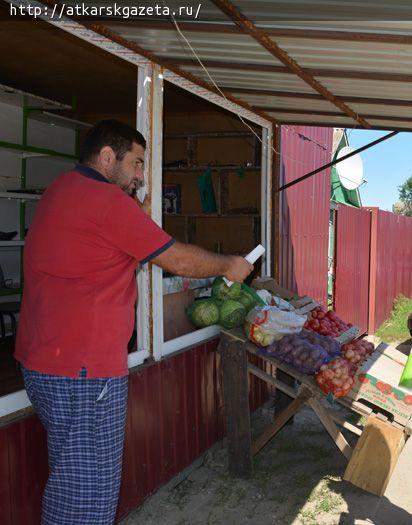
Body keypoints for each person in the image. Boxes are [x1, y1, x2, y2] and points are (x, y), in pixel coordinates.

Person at [14, 120, 253, 525]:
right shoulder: (106, 202)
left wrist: (134, 215)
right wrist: (231, 264)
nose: (142, 176)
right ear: (107, 158)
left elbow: (104, 251)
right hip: (84, 374)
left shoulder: (61, 189)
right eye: (137, 164)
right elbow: (176, 259)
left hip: (42, 364)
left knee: (70, 481)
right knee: (88, 498)